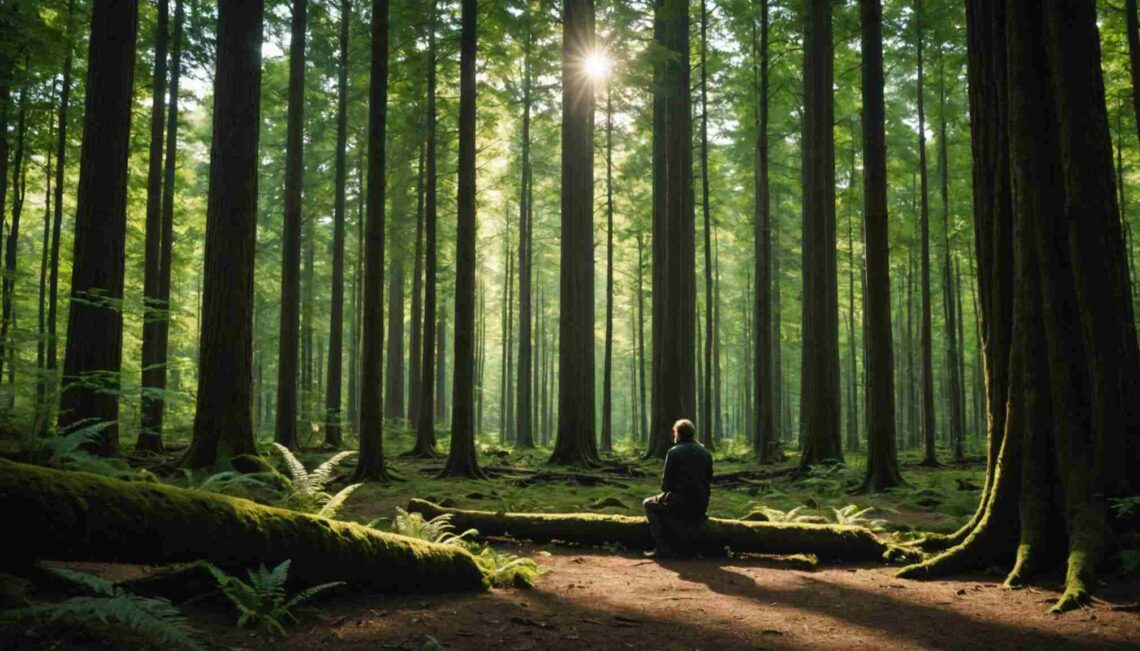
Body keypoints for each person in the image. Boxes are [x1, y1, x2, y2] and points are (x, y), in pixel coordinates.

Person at [643, 418, 713, 559]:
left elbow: (666, 486)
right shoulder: (706, 453)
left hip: (679, 503)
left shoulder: (673, 452)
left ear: (678, 434)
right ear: (692, 434)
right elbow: (708, 481)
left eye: (675, 432)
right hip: (700, 504)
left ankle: (662, 547)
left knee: (648, 504)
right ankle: (693, 548)